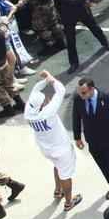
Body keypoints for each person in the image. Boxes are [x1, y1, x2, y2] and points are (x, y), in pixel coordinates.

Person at [23, 71, 82, 211]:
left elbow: (35, 89)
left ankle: (58, 191)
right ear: (43, 105)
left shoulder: (28, 112)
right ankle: (68, 202)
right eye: (45, 99)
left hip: (46, 150)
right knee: (65, 175)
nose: (48, 99)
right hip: (61, 150)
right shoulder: (48, 112)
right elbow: (60, 90)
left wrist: (45, 81)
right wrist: (51, 77)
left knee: (57, 166)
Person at [72, 77, 109, 189]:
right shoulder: (78, 99)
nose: (81, 95)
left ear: (91, 89)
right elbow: (76, 117)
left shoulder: (107, 97)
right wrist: (77, 137)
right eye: (79, 92)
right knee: (102, 163)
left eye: (83, 93)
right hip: (92, 138)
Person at [54, 0, 109, 74]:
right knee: (70, 40)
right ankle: (74, 63)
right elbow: (74, 1)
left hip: (83, 11)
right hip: (69, 16)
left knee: (95, 28)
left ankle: (106, 44)